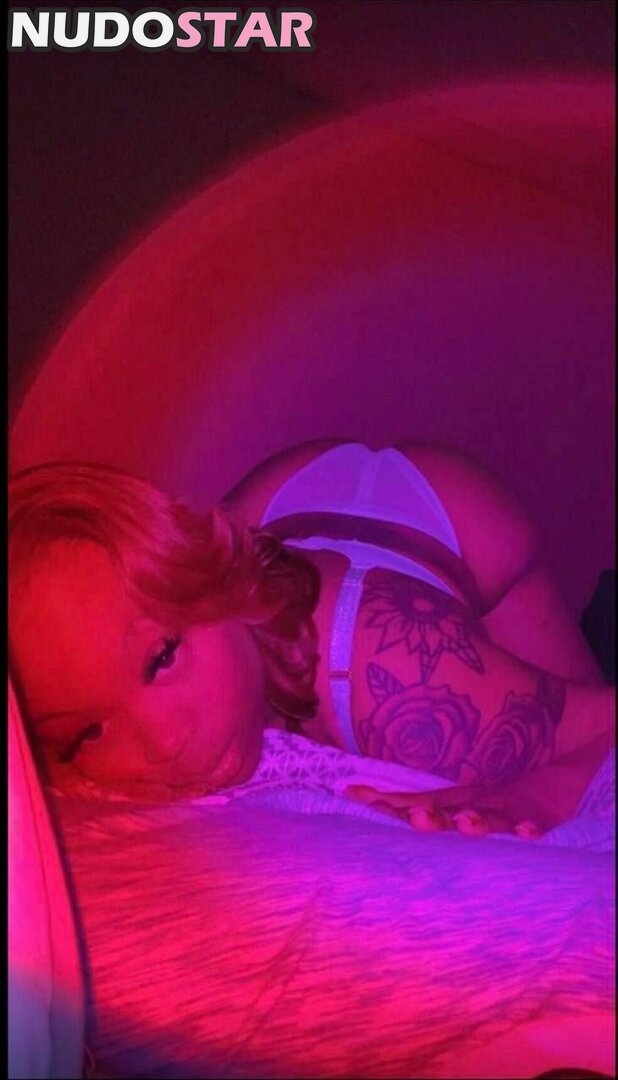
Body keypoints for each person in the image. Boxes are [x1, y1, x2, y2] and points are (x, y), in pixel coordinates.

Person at [8, 439, 614, 835]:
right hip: (275, 506)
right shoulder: (183, 628)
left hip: (451, 523)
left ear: (222, 582)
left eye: (162, 657)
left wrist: (539, 796)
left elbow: (604, 730)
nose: (165, 742)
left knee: (570, 735)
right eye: (88, 733)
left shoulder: (394, 674)